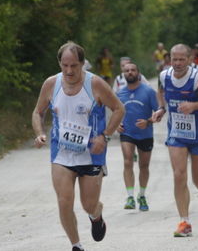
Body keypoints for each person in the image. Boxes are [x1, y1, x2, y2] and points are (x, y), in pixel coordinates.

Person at [32, 42, 125, 251]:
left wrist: (105, 136)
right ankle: (76, 245)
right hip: (61, 153)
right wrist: (39, 133)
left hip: (91, 153)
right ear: (59, 63)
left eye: (74, 66)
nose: (69, 71)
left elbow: (119, 109)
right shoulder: (51, 84)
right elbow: (37, 112)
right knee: (64, 201)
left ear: (82, 64)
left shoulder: (96, 84)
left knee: (88, 204)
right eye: (65, 65)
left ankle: (96, 214)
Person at [151, 44, 198, 237]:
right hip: (176, 133)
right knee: (179, 174)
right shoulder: (164, 76)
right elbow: (161, 92)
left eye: (182, 59)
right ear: (170, 59)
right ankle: (185, 222)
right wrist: (161, 109)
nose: (178, 63)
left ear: (190, 59)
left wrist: (195, 105)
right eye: (174, 59)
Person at [117, 62, 159, 211]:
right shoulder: (120, 93)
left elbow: (159, 113)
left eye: (133, 70)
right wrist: (116, 124)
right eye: (127, 70)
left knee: (143, 165)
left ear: (138, 72)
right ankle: (129, 197)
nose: (130, 72)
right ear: (123, 74)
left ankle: (141, 195)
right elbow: (114, 112)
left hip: (145, 134)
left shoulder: (148, 91)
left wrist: (148, 122)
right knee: (128, 161)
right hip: (127, 133)